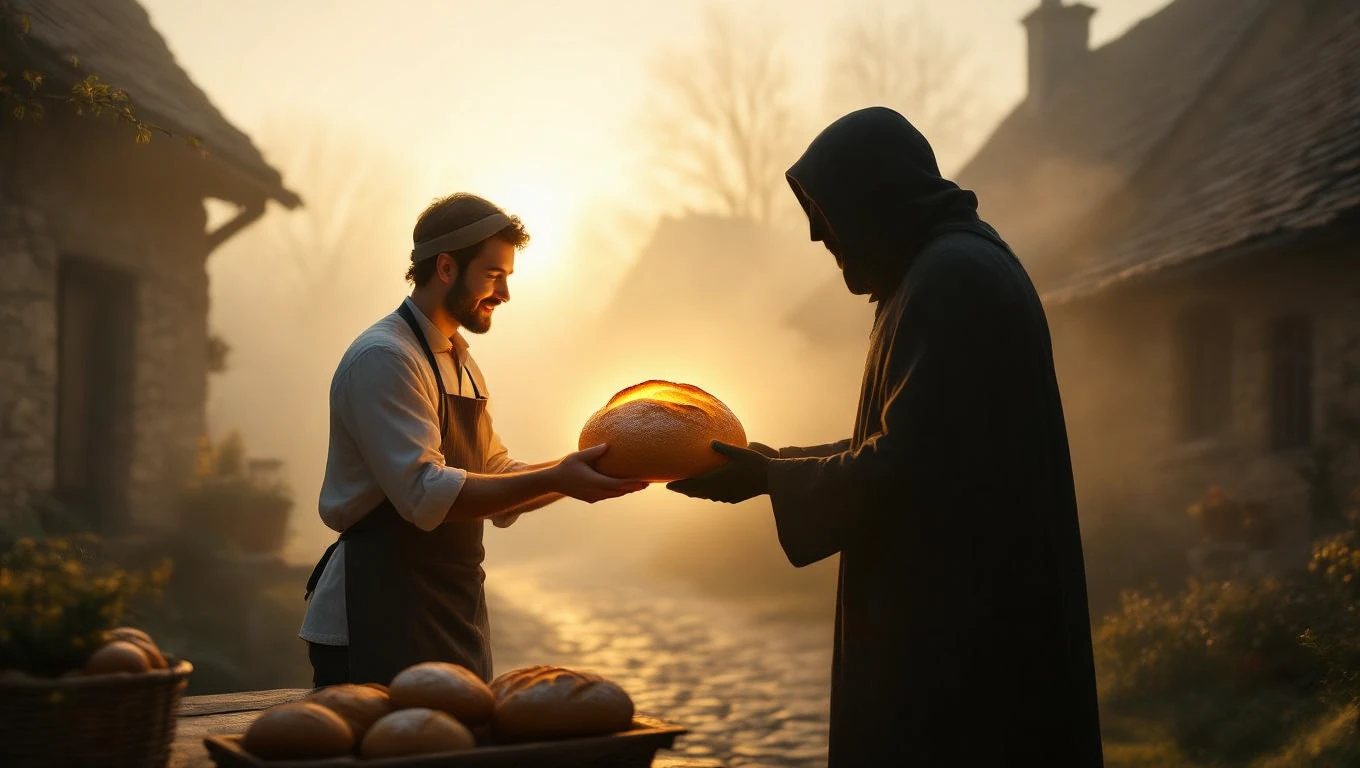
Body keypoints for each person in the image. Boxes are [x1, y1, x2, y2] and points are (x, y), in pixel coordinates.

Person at [667, 107, 1105, 766]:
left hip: (966, 643)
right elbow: (910, 442)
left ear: (875, 197)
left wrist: (768, 479)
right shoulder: (935, 271)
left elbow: (908, 470)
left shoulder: (952, 279)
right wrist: (774, 465)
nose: (817, 233)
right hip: (961, 621)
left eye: (826, 209)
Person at [300, 192, 646, 687]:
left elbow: (497, 477)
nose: (505, 293)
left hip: (452, 609)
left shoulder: (460, 362)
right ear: (445, 268)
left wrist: (590, 468)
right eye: (493, 274)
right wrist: (560, 477)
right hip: (375, 611)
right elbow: (425, 493)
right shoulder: (385, 358)